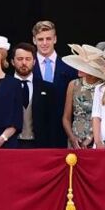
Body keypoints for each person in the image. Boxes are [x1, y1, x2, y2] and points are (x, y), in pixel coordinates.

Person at [31, 20, 75, 148]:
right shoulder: (27, 67)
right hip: (34, 135)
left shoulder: (68, 68)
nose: (44, 43)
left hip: (61, 134)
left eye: (48, 39)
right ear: (34, 40)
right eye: (40, 39)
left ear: (55, 39)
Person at [62, 44, 105, 150]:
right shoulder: (73, 84)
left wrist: (92, 137)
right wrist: (72, 138)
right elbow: (66, 118)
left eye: (82, 65)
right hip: (75, 141)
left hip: (98, 140)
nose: (78, 67)